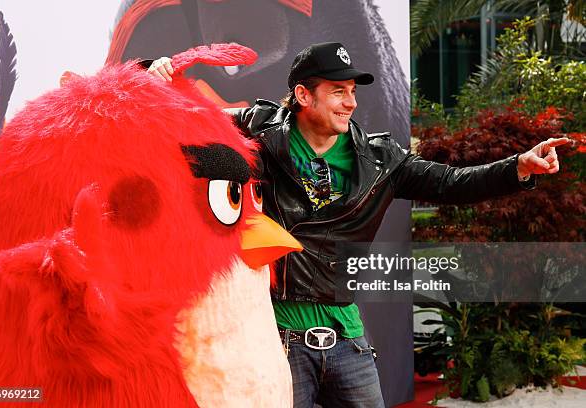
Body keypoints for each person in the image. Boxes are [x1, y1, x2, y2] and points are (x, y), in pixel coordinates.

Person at [147, 42, 569, 408]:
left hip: (348, 338)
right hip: (278, 339)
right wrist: (154, 76)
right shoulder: (257, 130)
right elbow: (190, 122)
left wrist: (517, 167)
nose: (350, 102)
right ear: (302, 95)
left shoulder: (382, 160)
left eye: (352, 92)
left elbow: (449, 182)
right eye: (337, 91)